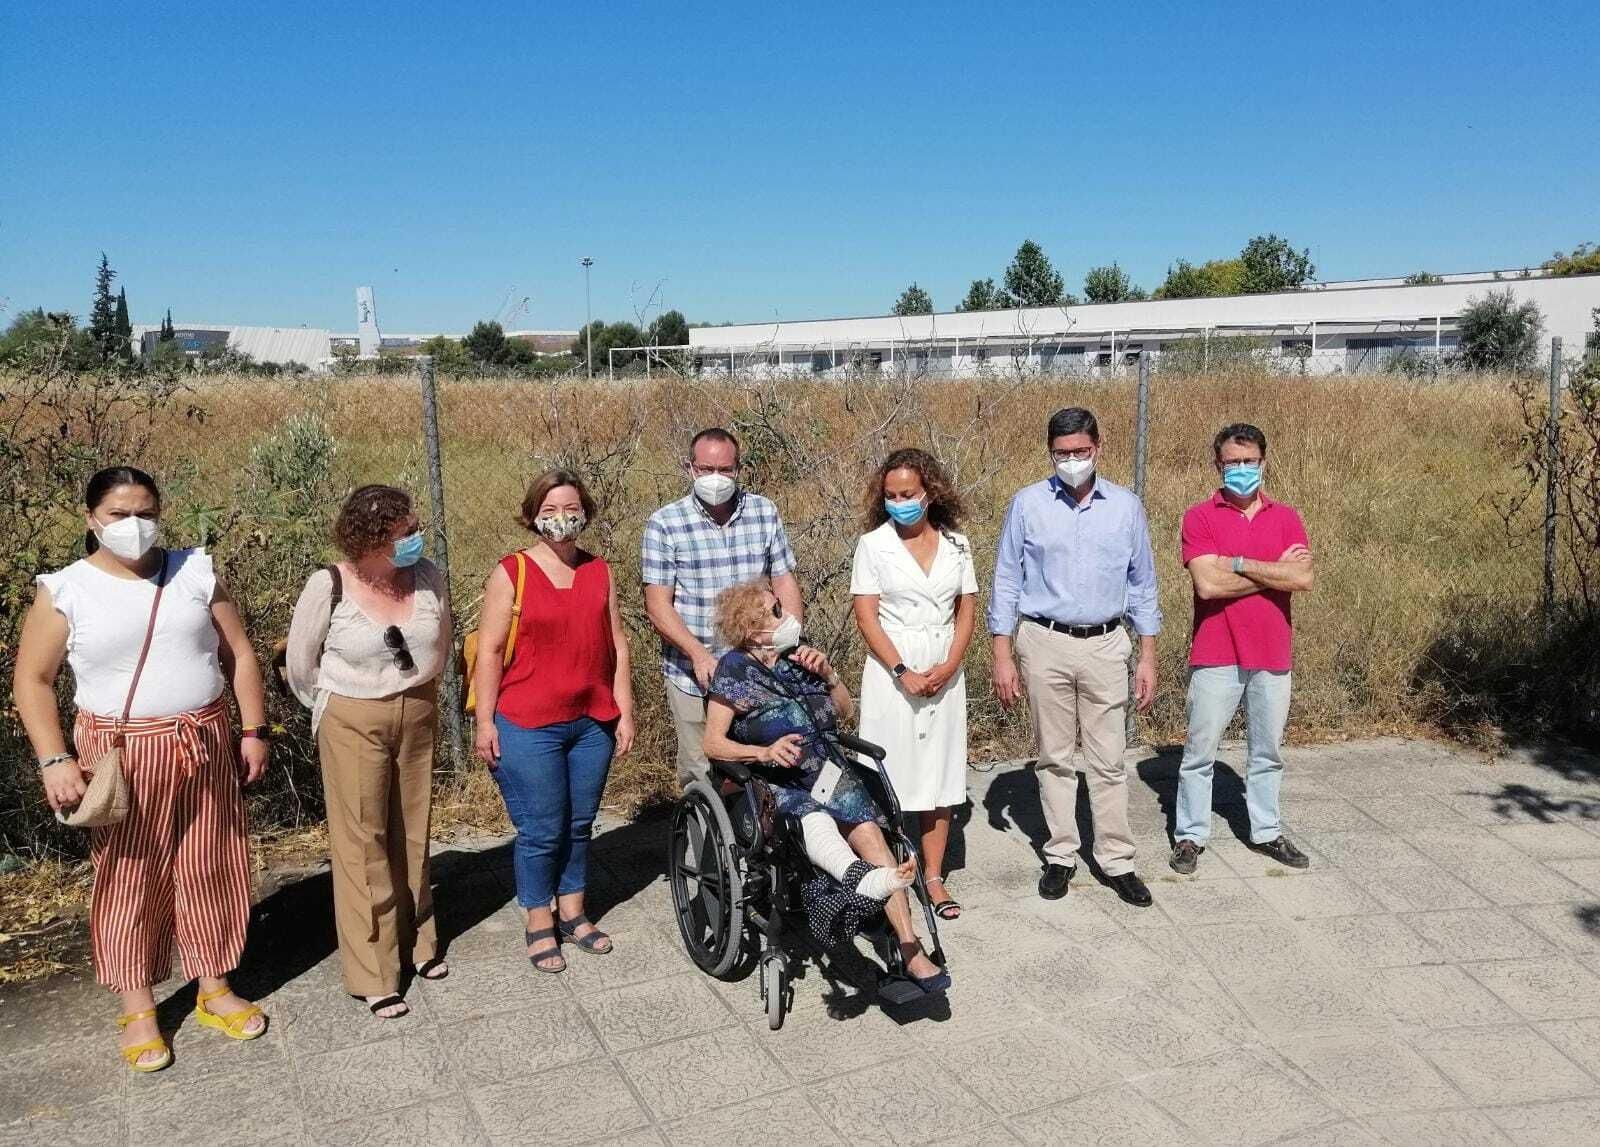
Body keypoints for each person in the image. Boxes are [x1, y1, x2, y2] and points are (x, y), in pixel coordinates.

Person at [15, 466, 269, 1072]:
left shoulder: (195, 572)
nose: (134, 525)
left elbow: (239, 654)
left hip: (203, 738)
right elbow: (33, 680)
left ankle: (213, 987)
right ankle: (138, 1007)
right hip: (119, 752)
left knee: (211, 863)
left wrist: (253, 730)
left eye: (146, 513)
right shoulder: (66, 590)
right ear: (91, 519)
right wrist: (55, 759)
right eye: (119, 514)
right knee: (130, 876)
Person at [702, 581, 949, 994]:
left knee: (871, 833)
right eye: (776, 611)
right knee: (816, 823)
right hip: (776, 781)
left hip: (826, 770)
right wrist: (763, 752)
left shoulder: (801, 656)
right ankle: (860, 881)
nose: (787, 615)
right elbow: (712, 743)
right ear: (752, 630)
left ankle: (909, 946)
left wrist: (829, 675)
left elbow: (843, 711)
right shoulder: (734, 670)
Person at [285, 484, 453, 1018]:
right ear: (374, 537)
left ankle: (419, 943)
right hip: (352, 717)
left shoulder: (427, 575)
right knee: (363, 842)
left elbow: (442, 640)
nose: (416, 538)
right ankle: (374, 972)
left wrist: (420, 689)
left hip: (418, 708)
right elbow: (300, 665)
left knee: (413, 829)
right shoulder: (329, 585)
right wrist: (337, 704)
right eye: (406, 531)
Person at [989, 407, 1161, 908]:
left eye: (1080, 451)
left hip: (1107, 642)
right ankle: (1061, 854)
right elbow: (1007, 578)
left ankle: (1116, 860)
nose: (1072, 461)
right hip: (1045, 641)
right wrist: (1002, 652)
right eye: (1062, 453)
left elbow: (1142, 582)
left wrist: (1147, 654)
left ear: (1097, 448)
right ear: (1050, 453)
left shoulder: (1125, 507)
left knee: (1109, 759)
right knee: (1055, 756)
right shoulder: (1027, 504)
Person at [473, 469, 635, 974]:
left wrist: (625, 708)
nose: (561, 518)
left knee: (580, 823)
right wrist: (485, 721)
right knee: (542, 828)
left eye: (570, 508)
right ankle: (538, 919)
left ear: (584, 512)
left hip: (592, 722)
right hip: (528, 723)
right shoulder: (512, 573)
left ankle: (573, 912)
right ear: (532, 516)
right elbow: (490, 651)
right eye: (549, 510)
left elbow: (617, 643)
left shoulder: (599, 570)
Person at [1171, 424, 1314, 874]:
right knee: (1200, 752)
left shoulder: (1286, 517)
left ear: (1263, 462)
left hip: (1272, 652)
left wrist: (1236, 564)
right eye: (1232, 462)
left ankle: (1267, 831)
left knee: (1267, 752)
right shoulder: (1200, 517)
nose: (1241, 469)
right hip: (1216, 652)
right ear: (1218, 464)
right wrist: (1273, 573)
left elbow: (1303, 578)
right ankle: (1190, 835)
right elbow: (1208, 585)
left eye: (1249, 461)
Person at [850, 448, 978, 920]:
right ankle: (889, 879)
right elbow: (867, 614)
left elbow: (967, 608)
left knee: (938, 776)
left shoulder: (958, 545)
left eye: (908, 494)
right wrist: (902, 670)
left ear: (930, 492)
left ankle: (935, 877)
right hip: (893, 672)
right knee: (889, 774)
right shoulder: (873, 545)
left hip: (944, 668)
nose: (899, 502)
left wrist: (950, 664)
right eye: (891, 495)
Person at [643, 428, 802, 787]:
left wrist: (790, 636)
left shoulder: (763, 512)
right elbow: (657, 604)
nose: (715, 478)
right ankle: (702, 824)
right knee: (699, 769)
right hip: (692, 671)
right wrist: (697, 654)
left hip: (757, 667)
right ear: (690, 468)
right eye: (706, 469)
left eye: (725, 469)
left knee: (762, 763)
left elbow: (783, 579)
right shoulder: (665, 523)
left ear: (738, 469)